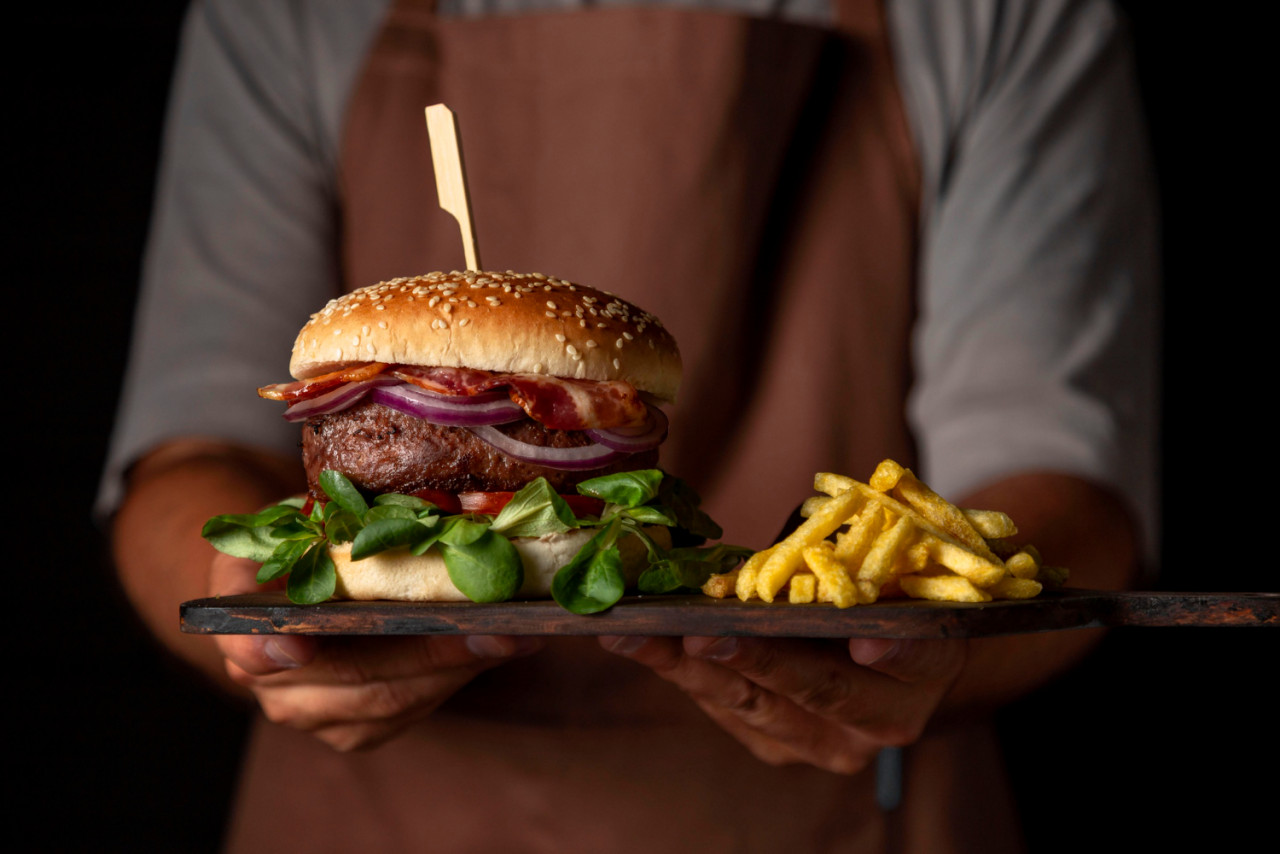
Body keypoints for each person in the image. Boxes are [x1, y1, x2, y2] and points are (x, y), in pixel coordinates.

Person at [101, 0, 1156, 850]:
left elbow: (1063, 479)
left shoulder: (1002, 13)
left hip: (837, 810)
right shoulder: (281, 13)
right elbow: (187, 445)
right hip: (368, 813)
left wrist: (927, 650)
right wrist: (251, 616)